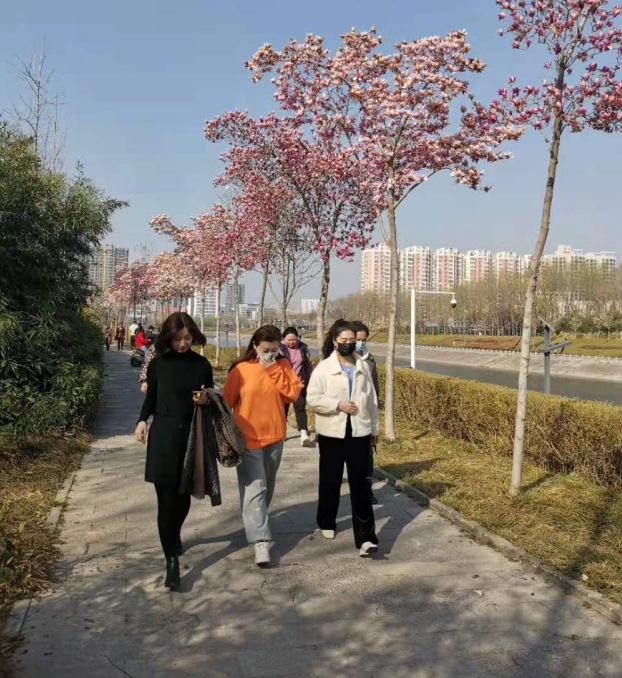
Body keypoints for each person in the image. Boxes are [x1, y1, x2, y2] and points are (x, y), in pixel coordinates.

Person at [135, 312, 214, 590]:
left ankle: (174, 532)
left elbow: (211, 397)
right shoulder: (159, 363)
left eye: (187, 338)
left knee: (183, 498)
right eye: (177, 339)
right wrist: (142, 421)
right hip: (164, 437)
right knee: (165, 500)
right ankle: (171, 560)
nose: (182, 344)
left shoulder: (202, 364)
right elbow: (152, 397)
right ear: (168, 338)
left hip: (191, 436)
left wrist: (205, 399)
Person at [223, 325, 303, 567]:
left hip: (275, 435)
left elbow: (293, 395)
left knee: (266, 485)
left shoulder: (283, 365)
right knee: (255, 487)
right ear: (255, 346)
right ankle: (260, 540)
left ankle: (255, 520)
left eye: (274, 349)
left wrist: (274, 370)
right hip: (246, 438)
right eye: (265, 350)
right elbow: (226, 401)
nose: (269, 354)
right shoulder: (240, 369)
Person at [307, 319, 379, 557]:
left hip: (359, 431)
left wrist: (374, 431)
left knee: (361, 485)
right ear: (335, 341)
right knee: (331, 480)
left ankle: (366, 538)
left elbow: (372, 401)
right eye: (344, 340)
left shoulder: (363, 365)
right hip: (332, 433)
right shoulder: (324, 368)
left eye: (352, 340)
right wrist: (337, 404)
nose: (349, 343)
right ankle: (327, 520)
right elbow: (312, 398)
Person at [353, 321, 380, 505]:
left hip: (365, 415)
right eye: (358, 339)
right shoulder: (344, 359)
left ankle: (366, 490)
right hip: (346, 414)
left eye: (364, 340)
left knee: (367, 455)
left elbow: (375, 388)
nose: (361, 343)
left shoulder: (370, 360)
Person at [279, 327, 314, 447]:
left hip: (299, 383)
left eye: (294, 339)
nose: (292, 342)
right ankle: (282, 432)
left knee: (300, 407)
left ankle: (303, 433)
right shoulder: (279, 348)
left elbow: (308, 364)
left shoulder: (303, 348)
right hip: (284, 385)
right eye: (289, 340)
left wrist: (311, 370)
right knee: (283, 409)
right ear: (283, 338)